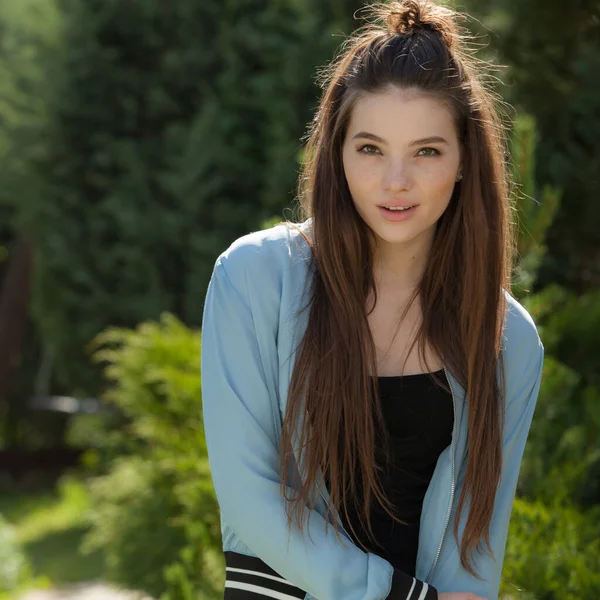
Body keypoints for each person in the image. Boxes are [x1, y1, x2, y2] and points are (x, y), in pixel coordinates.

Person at [200, 0, 545, 599]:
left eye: (427, 151)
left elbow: (476, 545)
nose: (395, 182)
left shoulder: (507, 339)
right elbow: (248, 493)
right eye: (370, 148)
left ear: (464, 162)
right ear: (337, 152)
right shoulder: (253, 279)